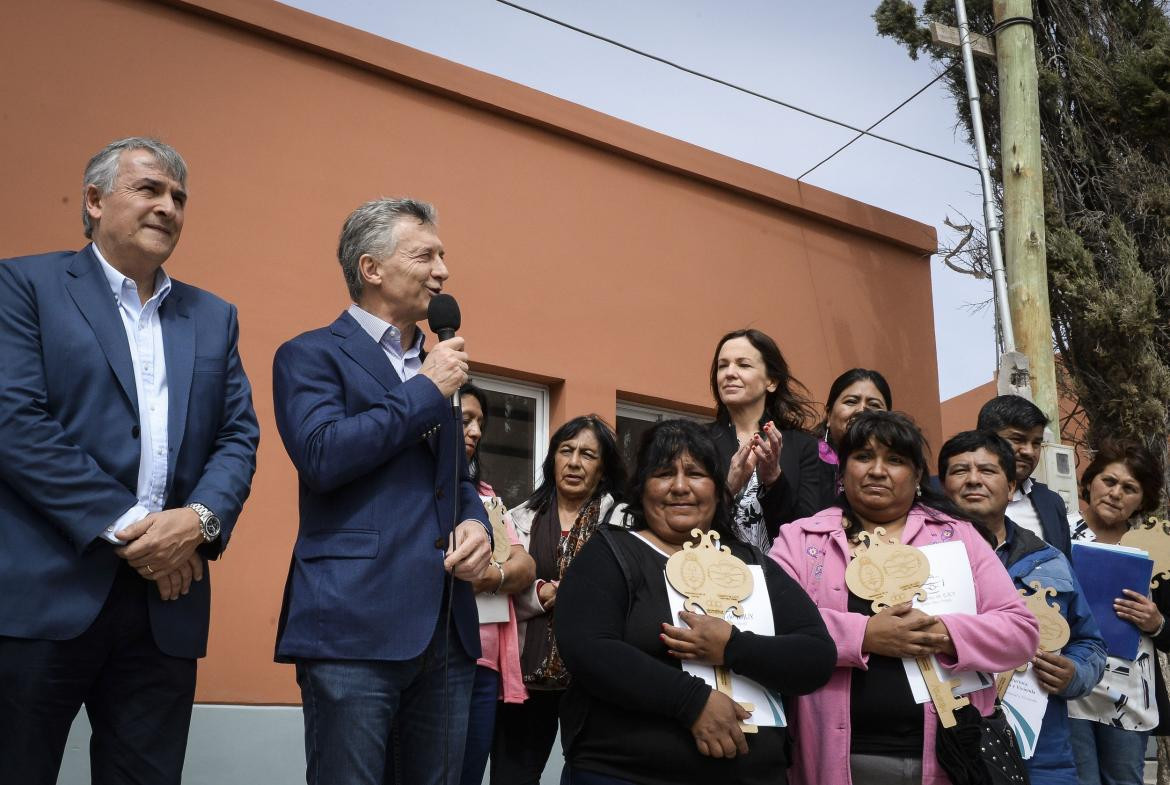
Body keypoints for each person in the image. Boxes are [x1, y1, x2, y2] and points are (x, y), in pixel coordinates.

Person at [0, 137, 260, 785]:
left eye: (179, 197)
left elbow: (238, 436)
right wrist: (137, 528)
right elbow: (15, 422)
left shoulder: (213, 317)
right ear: (94, 200)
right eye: (149, 189)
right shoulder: (24, 286)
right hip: (44, 595)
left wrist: (197, 521)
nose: (168, 206)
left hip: (164, 606)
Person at [272, 198, 492, 785]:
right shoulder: (309, 354)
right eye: (425, 255)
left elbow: (455, 479)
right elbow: (322, 455)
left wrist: (477, 524)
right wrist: (424, 389)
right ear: (371, 269)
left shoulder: (436, 362)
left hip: (447, 628)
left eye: (444, 256)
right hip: (351, 624)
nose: (442, 271)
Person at [554, 419, 836, 785]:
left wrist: (732, 647)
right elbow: (587, 649)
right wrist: (691, 701)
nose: (680, 487)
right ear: (641, 489)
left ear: (719, 490)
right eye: (663, 473)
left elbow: (816, 655)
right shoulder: (612, 552)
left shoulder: (751, 563)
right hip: (625, 772)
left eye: (696, 473)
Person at [769, 410, 1038, 785]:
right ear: (842, 473)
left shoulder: (958, 537)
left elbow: (1020, 632)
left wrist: (943, 633)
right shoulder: (802, 539)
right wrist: (863, 635)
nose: (877, 470)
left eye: (895, 460)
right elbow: (771, 627)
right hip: (833, 759)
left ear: (916, 478)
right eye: (863, 457)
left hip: (951, 758)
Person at [939, 430, 1105, 785]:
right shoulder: (922, 562)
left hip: (1044, 754)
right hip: (951, 748)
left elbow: (1090, 643)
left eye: (987, 470)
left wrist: (1073, 672)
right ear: (942, 486)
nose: (973, 480)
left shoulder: (1049, 560)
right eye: (959, 471)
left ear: (1012, 487)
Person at [492, 415, 627, 785]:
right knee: (512, 777)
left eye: (587, 454)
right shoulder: (517, 518)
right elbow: (499, 587)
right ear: (552, 460)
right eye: (566, 451)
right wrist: (539, 594)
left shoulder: (624, 521)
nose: (574, 462)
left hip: (593, 677)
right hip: (525, 675)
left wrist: (580, 598)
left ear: (603, 468)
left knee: (593, 776)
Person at [1065, 440, 1167, 785]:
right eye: (1109, 481)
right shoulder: (1055, 532)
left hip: (1130, 698)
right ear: (1090, 481)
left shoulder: (1155, 547)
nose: (1115, 493)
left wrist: (1157, 623)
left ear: (1143, 499)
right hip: (1070, 687)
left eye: (1129, 488)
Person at [457, 382, 536, 785]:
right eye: (465, 420)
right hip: (433, 660)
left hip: (486, 664)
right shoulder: (413, 491)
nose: (475, 432)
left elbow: (524, 564)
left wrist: (493, 577)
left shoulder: (488, 498)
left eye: (480, 424)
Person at [706, 328, 821, 550]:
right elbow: (689, 519)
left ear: (772, 381)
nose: (729, 373)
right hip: (715, 573)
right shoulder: (698, 440)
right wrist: (729, 488)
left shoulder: (803, 446)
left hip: (780, 576)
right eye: (722, 365)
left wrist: (774, 480)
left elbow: (809, 533)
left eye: (743, 364)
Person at [977, 394, 1072, 556]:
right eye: (1017, 439)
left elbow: (1066, 575)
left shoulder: (1052, 503)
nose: (1029, 451)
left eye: (1036, 443)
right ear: (984, 439)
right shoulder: (943, 495)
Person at [815, 368, 892, 510]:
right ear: (828, 414)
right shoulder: (806, 458)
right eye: (851, 402)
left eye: (874, 405)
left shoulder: (901, 463)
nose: (862, 410)